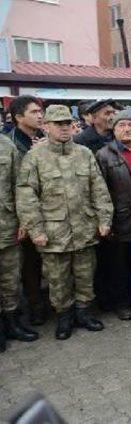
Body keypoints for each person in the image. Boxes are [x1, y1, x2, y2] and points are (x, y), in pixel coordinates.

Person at [16, 105, 113, 340]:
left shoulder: (84, 153)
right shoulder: (35, 157)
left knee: (85, 275)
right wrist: (35, 229)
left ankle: (83, 313)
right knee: (58, 280)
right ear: (46, 126)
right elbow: (26, 195)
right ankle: (64, 317)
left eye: (67, 123)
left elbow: (98, 188)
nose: (64, 128)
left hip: (84, 228)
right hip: (52, 232)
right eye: (58, 124)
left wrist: (104, 219)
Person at [96, 110, 131, 321]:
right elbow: (100, 190)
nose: (126, 129)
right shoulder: (104, 155)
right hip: (119, 219)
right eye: (121, 125)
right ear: (113, 130)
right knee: (118, 265)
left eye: (130, 125)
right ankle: (121, 303)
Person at [7, 96, 47, 325]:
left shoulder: (44, 137)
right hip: (24, 211)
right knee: (29, 263)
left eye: (40, 111)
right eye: (34, 112)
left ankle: (50, 302)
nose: (40, 115)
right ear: (19, 117)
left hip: (50, 208)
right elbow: (13, 183)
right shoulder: (10, 143)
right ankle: (34, 306)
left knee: (49, 261)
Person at [0, 134, 39, 353]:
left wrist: (24, 219)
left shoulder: (6, 145)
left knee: (10, 279)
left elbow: (20, 187)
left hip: (7, 226)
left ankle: (12, 323)